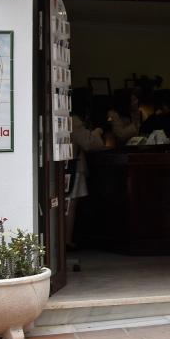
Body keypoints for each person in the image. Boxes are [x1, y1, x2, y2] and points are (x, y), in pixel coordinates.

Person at [66, 90, 112, 250]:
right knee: (71, 204)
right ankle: (67, 239)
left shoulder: (64, 118)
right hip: (73, 166)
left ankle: (65, 238)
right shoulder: (74, 121)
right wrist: (97, 131)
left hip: (66, 166)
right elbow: (89, 143)